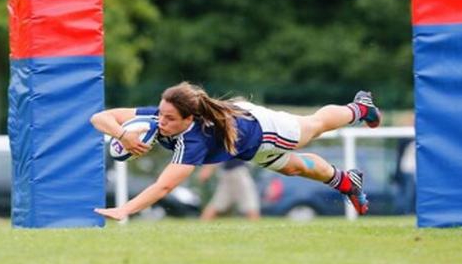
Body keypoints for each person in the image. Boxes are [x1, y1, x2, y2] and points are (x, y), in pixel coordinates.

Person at [91, 82, 381, 221]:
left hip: (264, 129)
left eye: (169, 118)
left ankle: (359, 108)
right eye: (161, 114)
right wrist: (122, 134)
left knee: (314, 126)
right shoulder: (159, 117)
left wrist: (124, 209)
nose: (161, 121)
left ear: (188, 118)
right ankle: (347, 181)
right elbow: (99, 118)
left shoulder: (194, 140)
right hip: (246, 147)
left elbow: (164, 185)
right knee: (296, 168)